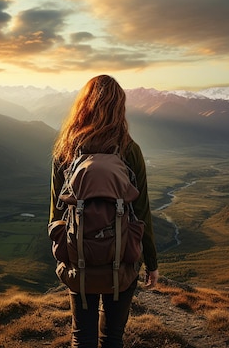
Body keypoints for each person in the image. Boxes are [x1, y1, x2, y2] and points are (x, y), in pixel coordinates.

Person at [50, 74, 159, 348]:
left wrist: (66, 253)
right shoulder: (129, 150)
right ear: (119, 108)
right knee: (112, 337)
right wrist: (151, 263)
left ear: (83, 105)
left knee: (81, 337)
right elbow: (142, 213)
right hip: (121, 263)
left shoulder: (66, 150)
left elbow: (56, 214)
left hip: (79, 263)